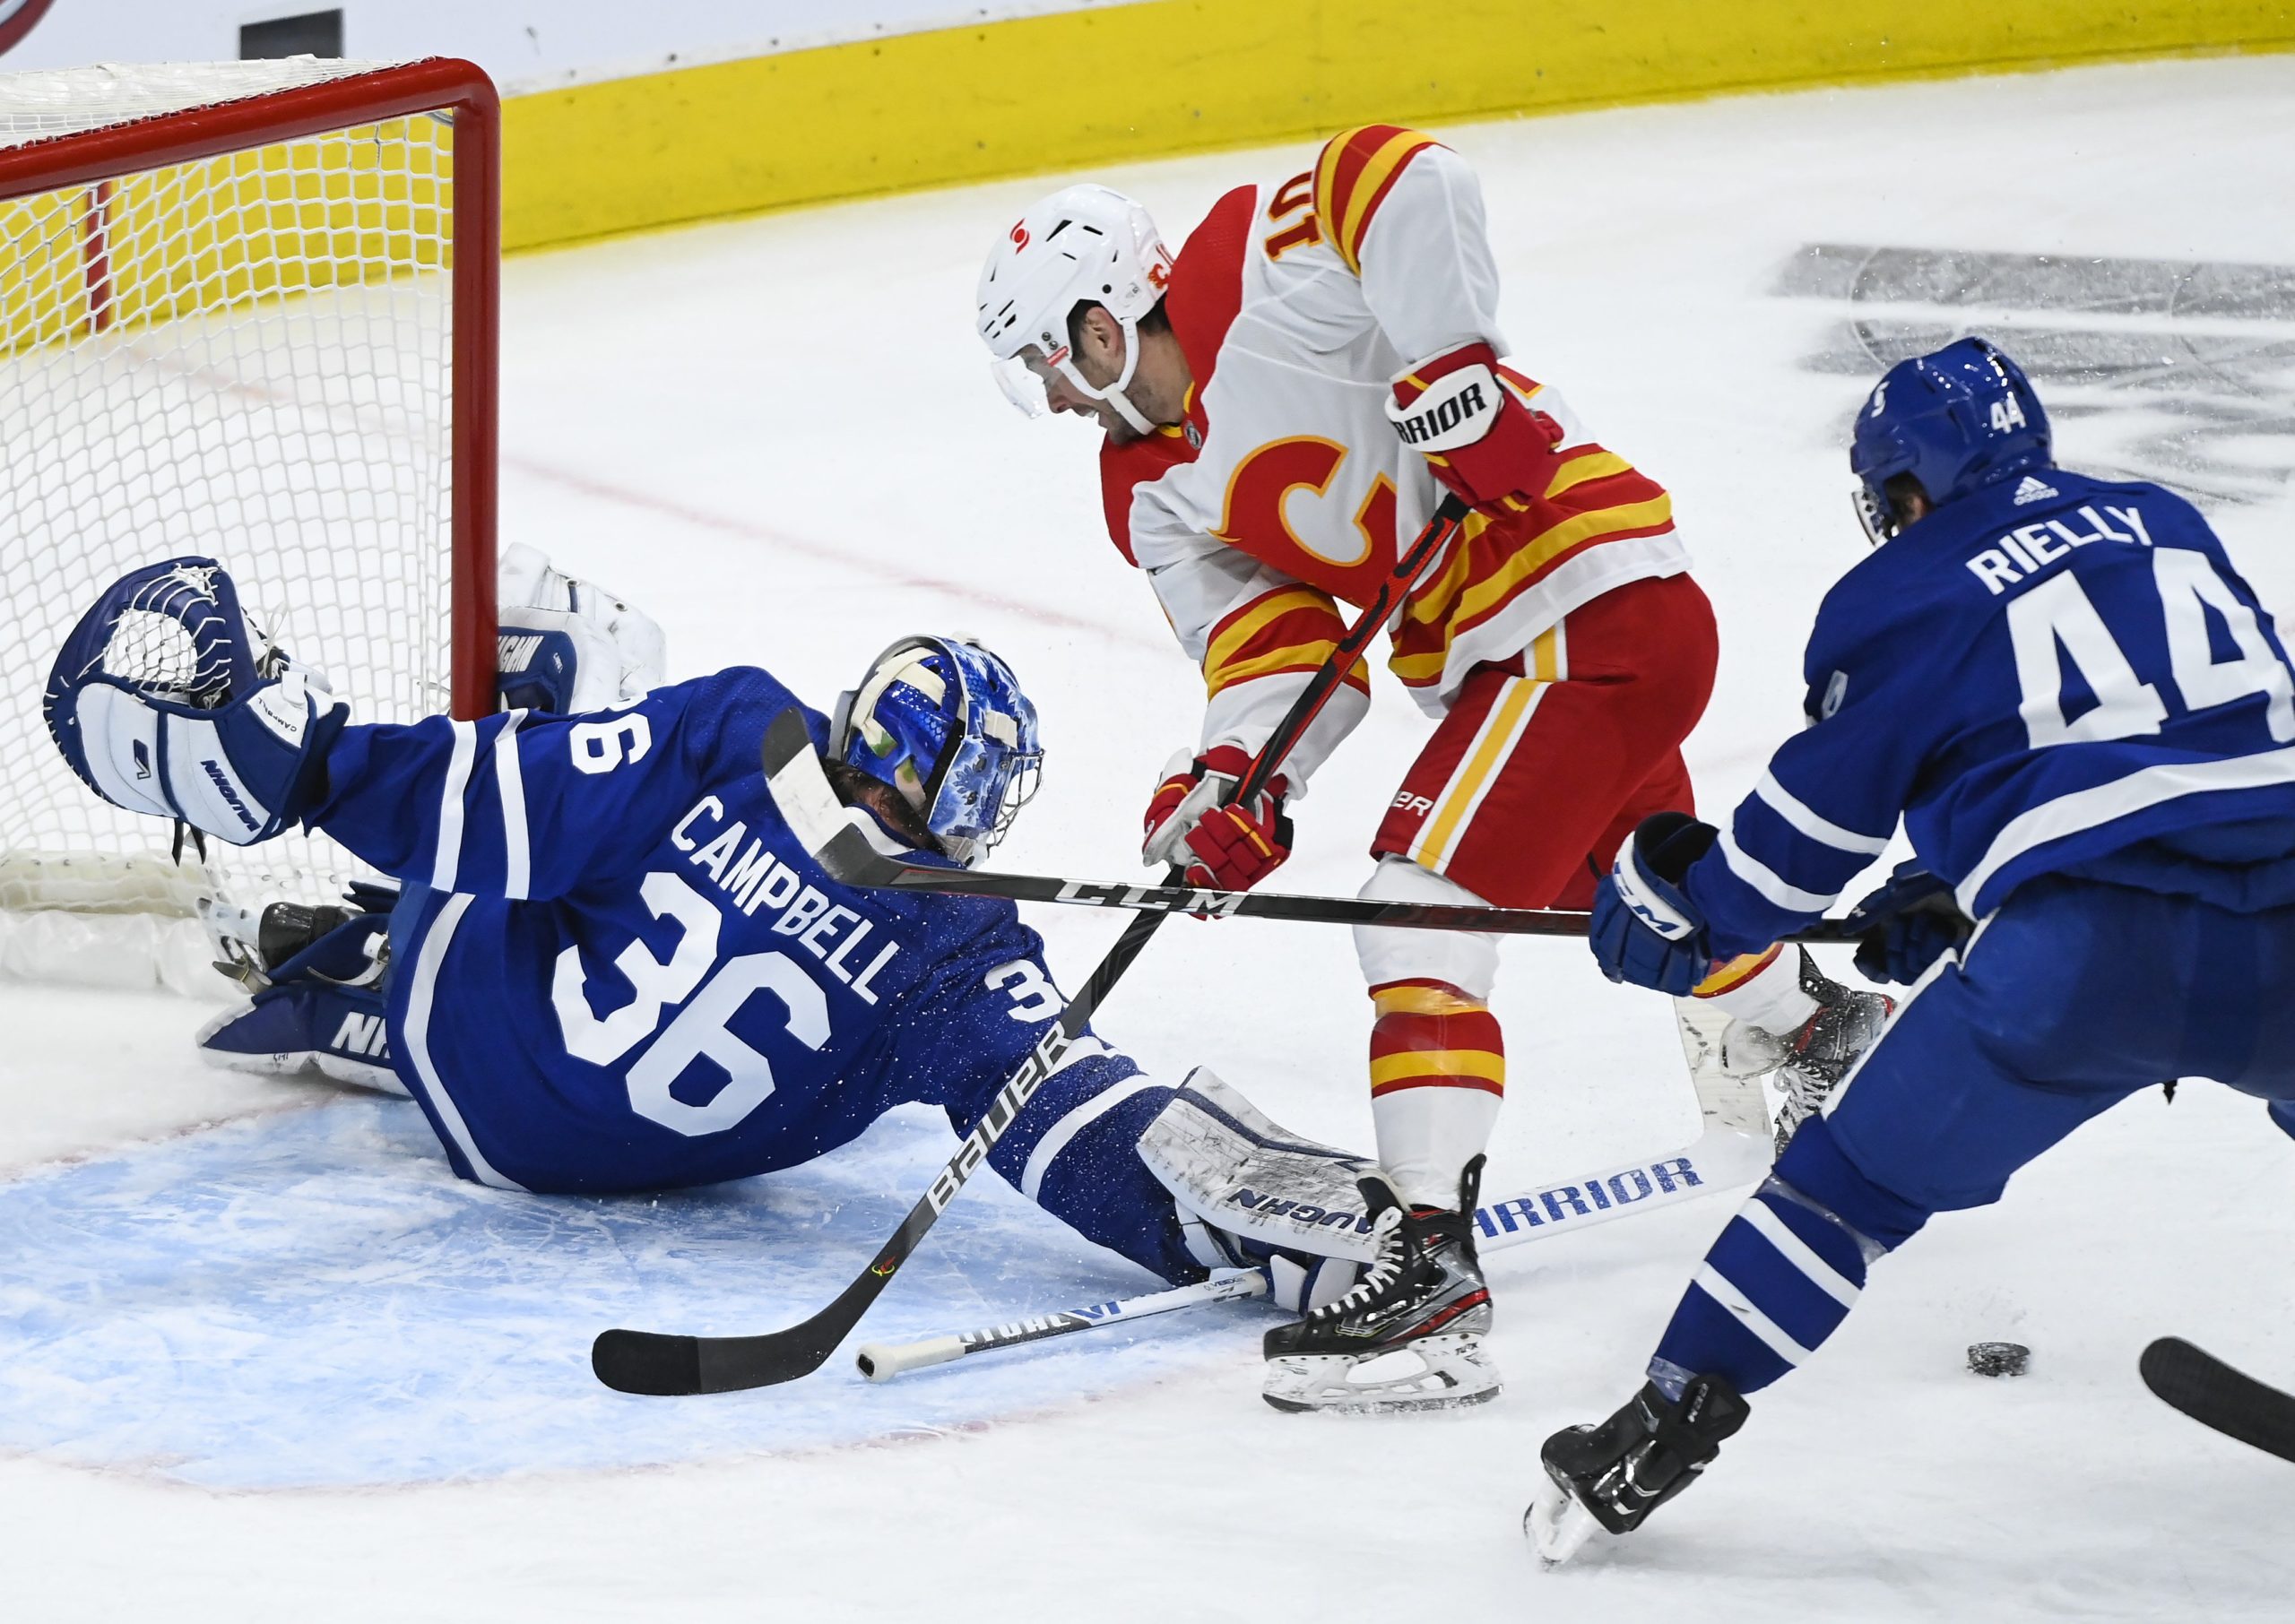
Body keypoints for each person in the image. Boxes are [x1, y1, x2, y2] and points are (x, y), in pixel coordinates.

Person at [973, 128, 1888, 1412]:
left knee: (1419, 914)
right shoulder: (1149, 494)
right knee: (1629, 904)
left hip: (1577, 605)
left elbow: (1409, 179)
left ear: (1104, 315)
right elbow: (1273, 644)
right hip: (1520, 653)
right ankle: (1815, 1023)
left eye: (1050, 357)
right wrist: (1239, 777)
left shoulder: (1253, 263)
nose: (1057, 394)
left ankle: (1430, 1278)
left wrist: (1455, 374)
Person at [40, 549, 1378, 1317]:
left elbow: (502, 801)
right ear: (966, 798)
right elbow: (1070, 1116)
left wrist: (323, 768)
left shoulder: (744, 729)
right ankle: (367, 984)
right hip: (589, 1169)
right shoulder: (963, 949)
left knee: (568, 655)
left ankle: (373, 974)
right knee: (611, 860)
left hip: (473, 1029)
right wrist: (1248, 1223)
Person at [1531, 337, 2295, 1562]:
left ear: (1903, 491)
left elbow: (1786, 867)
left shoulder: (1900, 589)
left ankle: (1655, 1431)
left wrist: (1684, 916)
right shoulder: (2162, 518)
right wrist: (1959, 864)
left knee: (1848, 1195)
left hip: (2088, 962)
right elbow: (2206, 729)